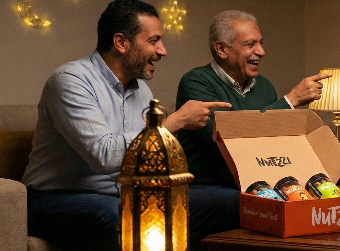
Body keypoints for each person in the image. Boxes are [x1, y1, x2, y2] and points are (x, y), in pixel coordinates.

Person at [21, 1, 234, 250]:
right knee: (120, 214)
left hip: (126, 194)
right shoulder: (71, 81)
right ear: (121, 42)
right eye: (153, 41)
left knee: (229, 202)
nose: (162, 50)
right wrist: (174, 122)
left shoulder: (141, 90)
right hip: (54, 199)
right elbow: (104, 156)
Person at [174, 9, 330, 226]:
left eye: (260, 43)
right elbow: (230, 137)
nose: (262, 51)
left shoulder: (264, 86)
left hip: (261, 183)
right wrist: (289, 102)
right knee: (250, 204)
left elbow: (275, 140)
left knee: (315, 195)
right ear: (221, 49)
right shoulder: (197, 82)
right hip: (211, 185)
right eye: (250, 45)